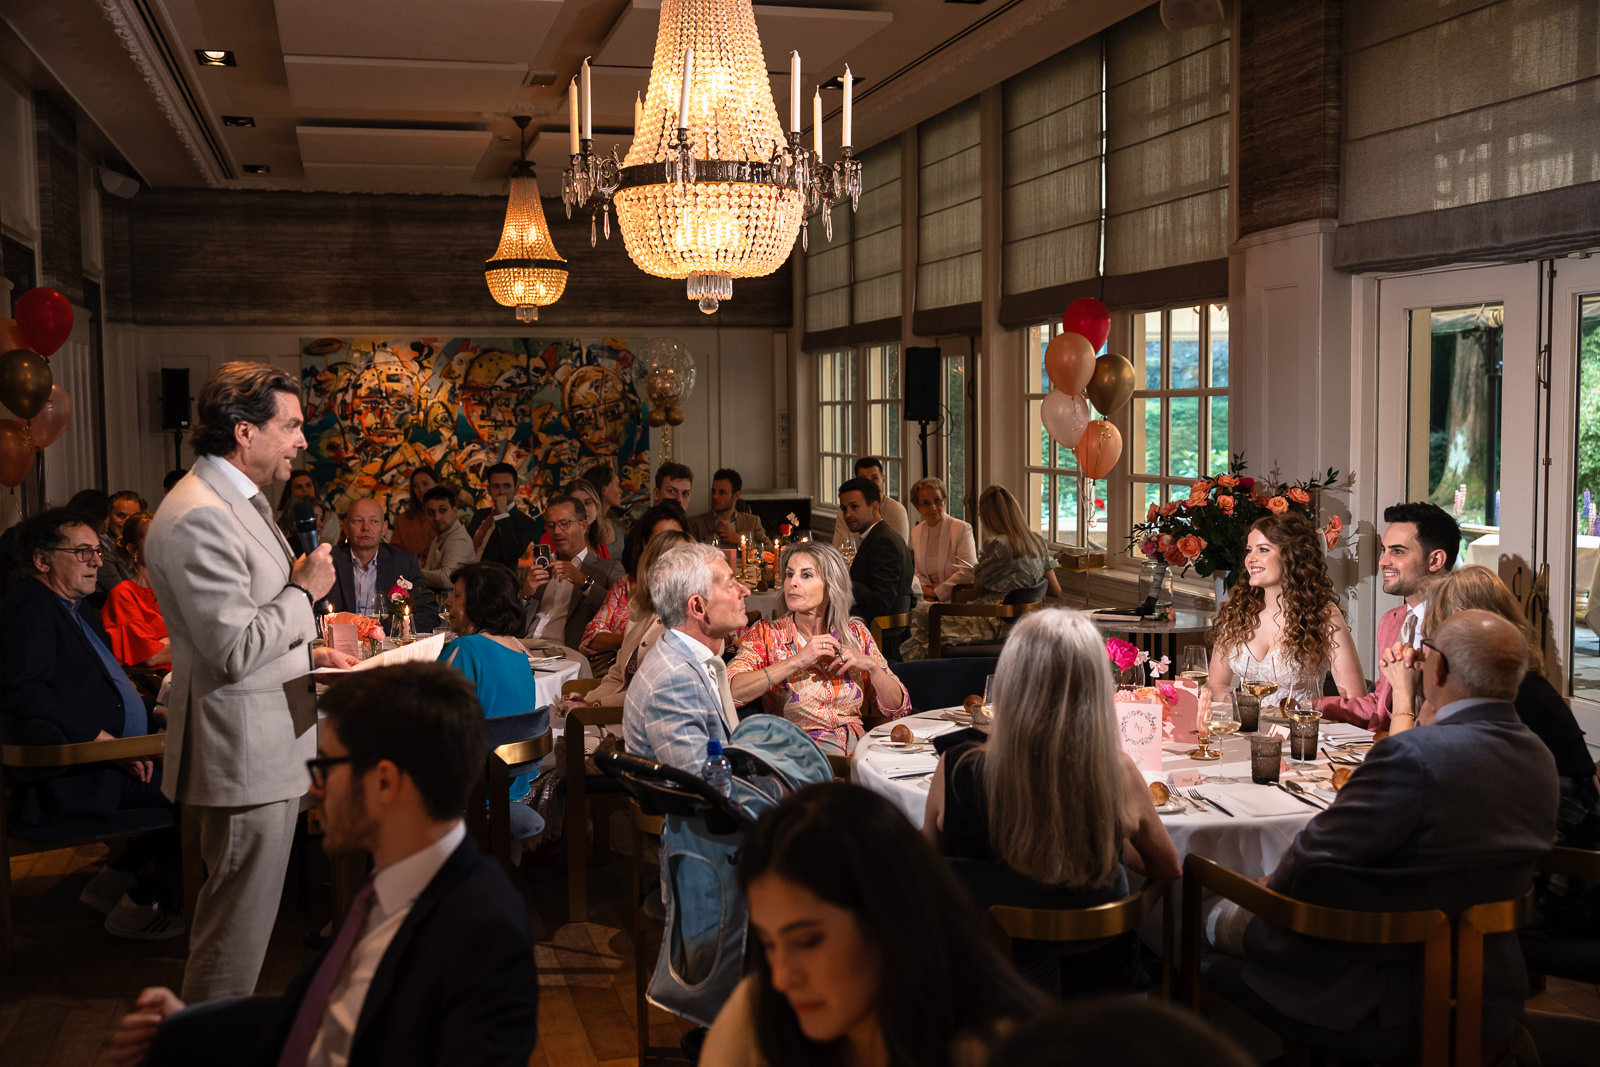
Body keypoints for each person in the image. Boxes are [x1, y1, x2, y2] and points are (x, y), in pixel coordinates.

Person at [108, 663, 540, 1067]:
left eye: (326, 766)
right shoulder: (387, 885)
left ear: (385, 782)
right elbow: (321, 1011)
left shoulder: (484, 929)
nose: (314, 786)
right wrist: (190, 1027)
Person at [1207, 610, 1558, 1040]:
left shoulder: (1413, 757)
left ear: (1440, 667)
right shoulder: (1539, 757)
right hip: (1482, 984)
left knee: (1198, 896)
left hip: (1371, 986)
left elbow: (1312, 859)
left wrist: (1256, 885)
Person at [146, 360, 359, 1002]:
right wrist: (304, 590)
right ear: (243, 431)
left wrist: (312, 661)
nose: (301, 440)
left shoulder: (237, 501)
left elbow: (249, 633)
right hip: (241, 754)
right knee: (232, 940)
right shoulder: (198, 515)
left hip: (265, 747)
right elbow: (233, 649)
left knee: (244, 929)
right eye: (291, 426)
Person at [922, 608, 1181, 994]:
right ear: (1095, 687)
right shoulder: (1116, 772)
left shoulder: (955, 768)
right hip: (1095, 976)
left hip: (984, 980)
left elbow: (929, 871)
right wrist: (1110, 843)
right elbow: (1167, 869)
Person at [701, 782, 1044, 1066]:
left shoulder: (999, 1047)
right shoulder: (759, 1015)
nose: (781, 977)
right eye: (769, 944)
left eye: (807, 941)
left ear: (889, 918)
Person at [1381, 565, 1600, 935]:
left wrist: (1405, 696)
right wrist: (1431, 691)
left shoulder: (1515, 700)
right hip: (1523, 865)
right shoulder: (1519, 684)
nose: (1423, 646)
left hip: (1552, 880)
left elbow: (1397, 780)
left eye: (1431, 640)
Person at [0, 508, 181, 939]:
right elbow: (22, 691)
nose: (97, 562)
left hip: (113, 759)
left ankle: (116, 878)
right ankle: (148, 904)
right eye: (82, 553)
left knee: (201, 765)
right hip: (74, 773)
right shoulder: (29, 607)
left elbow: (102, 685)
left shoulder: (71, 607)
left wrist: (156, 710)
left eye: (97, 552)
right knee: (207, 787)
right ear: (42, 560)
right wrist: (104, 742)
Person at [729, 542, 910, 755]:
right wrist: (797, 661)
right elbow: (731, 690)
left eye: (806, 575)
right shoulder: (767, 634)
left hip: (857, 755)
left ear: (830, 585)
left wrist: (871, 667)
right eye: (789, 574)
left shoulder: (855, 633)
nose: (792, 583)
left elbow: (900, 709)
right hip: (800, 757)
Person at [1318, 501, 1460, 729]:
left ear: (1435, 560)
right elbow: (1380, 704)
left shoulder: (1459, 626)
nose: (1383, 562)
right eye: (1384, 550)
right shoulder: (1391, 621)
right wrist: (1309, 706)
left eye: (1397, 551)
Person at [1206, 511, 1366, 708]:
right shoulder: (1237, 611)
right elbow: (1217, 685)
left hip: (1303, 732)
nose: (1251, 559)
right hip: (1247, 731)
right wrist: (1240, 710)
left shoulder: (1323, 615)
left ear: (1291, 556)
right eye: (1249, 550)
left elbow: (1354, 698)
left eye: (1263, 550)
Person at [439, 563, 547, 839]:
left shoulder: (464, 649)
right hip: (511, 787)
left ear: (481, 602)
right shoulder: (518, 651)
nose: (448, 601)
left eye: (458, 595)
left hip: (471, 789)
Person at [623, 542, 749, 771]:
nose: (745, 591)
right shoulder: (674, 682)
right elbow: (703, 786)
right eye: (730, 584)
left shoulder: (679, 652)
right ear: (698, 606)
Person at [899, 485, 1061, 661]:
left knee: (919, 613)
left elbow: (978, 587)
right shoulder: (1037, 541)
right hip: (1023, 622)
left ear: (987, 517)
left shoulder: (997, 545)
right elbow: (1055, 590)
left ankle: (919, 675)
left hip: (993, 621)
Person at [570, 529, 695, 710]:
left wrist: (594, 706)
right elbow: (617, 678)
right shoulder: (641, 613)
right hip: (619, 713)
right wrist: (586, 700)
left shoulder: (691, 622)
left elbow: (651, 694)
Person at [580, 500, 687, 659]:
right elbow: (591, 637)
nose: (668, 548)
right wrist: (636, 640)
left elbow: (729, 636)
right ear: (645, 543)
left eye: (675, 539)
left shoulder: (696, 589)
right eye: (660, 540)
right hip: (618, 668)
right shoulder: (625, 585)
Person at [519, 491, 622, 650]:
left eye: (564, 524)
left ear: (583, 526)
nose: (557, 532)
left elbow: (618, 613)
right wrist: (525, 595)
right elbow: (506, 618)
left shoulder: (607, 569)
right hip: (525, 647)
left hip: (567, 652)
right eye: (551, 525)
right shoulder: (536, 568)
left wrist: (584, 582)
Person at [328, 498, 440, 632]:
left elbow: (427, 611)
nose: (366, 528)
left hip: (389, 645)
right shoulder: (329, 561)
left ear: (384, 528)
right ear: (345, 526)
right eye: (358, 521)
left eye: (374, 521)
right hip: (341, 645)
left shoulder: (404, 562)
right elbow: (313, 611)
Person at [836, 476, 914, 628]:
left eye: (854, 507)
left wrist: (844, 582)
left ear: (874, 507)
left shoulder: (884, 542)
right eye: (844, 509)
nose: (848, 514)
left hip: (879, 637)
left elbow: (881, 602)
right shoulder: (879, 536)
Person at [102, 510, 171, 668]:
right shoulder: (123, 595)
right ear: (133, 549)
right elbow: (151, 656)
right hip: (160, 684)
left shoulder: (176, 590)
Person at [907, 476, 977, 603]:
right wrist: (923, 592)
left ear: (945, 500)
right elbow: (919, 572)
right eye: (926, 503)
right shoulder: (916, 531)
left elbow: (968, 571)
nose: (933, 507)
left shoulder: (961, 528)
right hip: (927, 600)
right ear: (918, 507)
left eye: (937, 501)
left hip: (956, 601)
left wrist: (936, 593)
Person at [832, 456, 910, 551]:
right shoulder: (846, 511)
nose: (870, 484)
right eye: (864, 479)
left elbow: (897, 552)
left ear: (883, 480)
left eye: (874, 478)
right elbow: (839, 550)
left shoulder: (897, 510)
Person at [469, 462, 537, 568]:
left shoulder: (525, 522)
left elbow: (511, 554)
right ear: (489, 490)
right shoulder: (480, 514)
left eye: (507, 486)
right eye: (496, 486)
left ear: (516, 489)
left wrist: (503, 515)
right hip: (467, 575)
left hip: (496, 581)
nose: (501, 492)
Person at [417, 484, 474, 596]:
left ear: (455, 511)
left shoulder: (459, 538)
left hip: (452, 609)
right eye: (431, 512)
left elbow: (447, 579)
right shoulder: (439, 537)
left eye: (442, 510)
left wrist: (412, 570)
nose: (437, 517)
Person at [688, 468, 768, 546]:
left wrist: (740, 540)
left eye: (722, 492)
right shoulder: (695, 523)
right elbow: (689, 552)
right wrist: (715, 536)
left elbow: (770, 549)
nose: (715, 496)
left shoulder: (752, 522)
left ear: (736, 495)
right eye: (713, 491)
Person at [275, 468, 340, 545]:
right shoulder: (278, 517)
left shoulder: (330, 517)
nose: (305, 490)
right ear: (290, 492)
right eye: (299, 487)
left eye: (308, 485)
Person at [387, 465, 439, 558]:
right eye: (415, 486)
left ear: (437, 485)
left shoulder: (446, 516)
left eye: (425, 484)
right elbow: (394, 553)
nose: (421, 490)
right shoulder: (403, 520)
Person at [581, 459, 630, 558]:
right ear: (604, 489)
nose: (621, 491)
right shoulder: (585, 526)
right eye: (616, 484)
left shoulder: (617, 524)